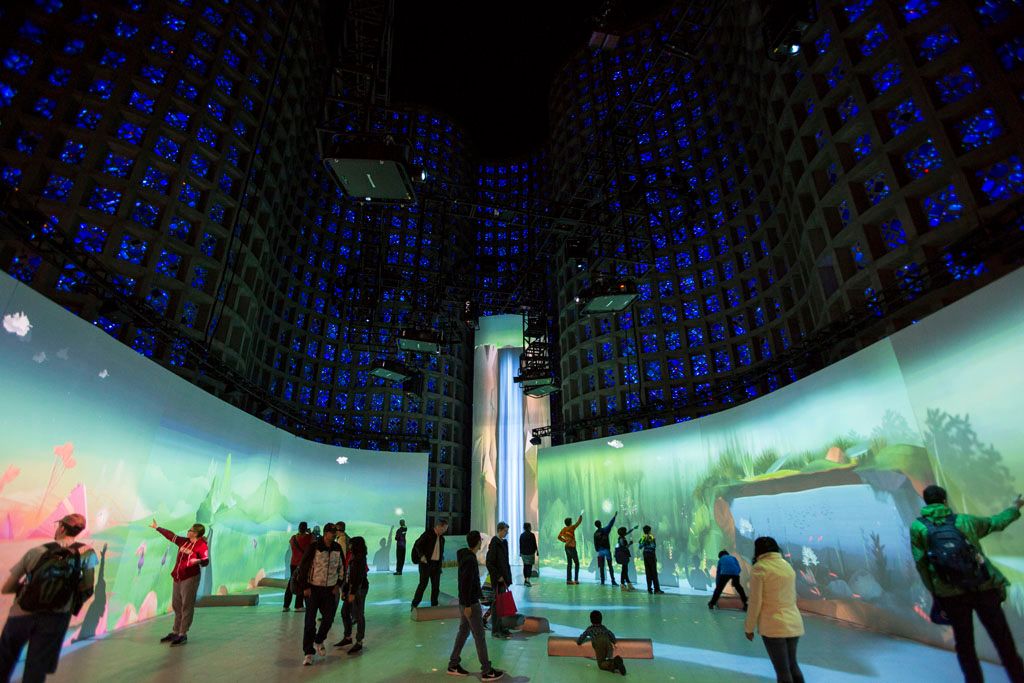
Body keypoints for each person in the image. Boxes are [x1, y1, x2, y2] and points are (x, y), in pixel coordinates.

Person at [910, 485, 1024, 683]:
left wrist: (936, 592)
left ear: (925, 502)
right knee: (1003, 642)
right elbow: (996, 523)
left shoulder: (918, 528)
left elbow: (921, 564)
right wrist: (1015, 507)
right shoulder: (964, 521)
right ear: (945, 500)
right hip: (982, 588)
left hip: (951, 595)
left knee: (965, 646)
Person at [0, 514, 95, 683]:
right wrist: (71, 604)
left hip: (21, 615)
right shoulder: (86, 552)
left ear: (63, 528)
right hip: (56, 618)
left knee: (3, 660)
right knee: (36, 668)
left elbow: (7, 587)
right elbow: (88, 588)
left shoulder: (37, 551)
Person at [744, 536, 804, 683]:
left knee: (782, 671)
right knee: (792, 665)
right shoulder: (786, 565)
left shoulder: (760, 568)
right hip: (794, 623)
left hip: (773, 625)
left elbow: (755, 602)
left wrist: (749, 628)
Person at [447, 530, 504, 680]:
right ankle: (487, 670)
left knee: (463, 632)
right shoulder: (470, 560)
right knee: (479, 636)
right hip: (470, 604)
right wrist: (467, 605)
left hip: (467, 602)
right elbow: (465, 584)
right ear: (478, 542)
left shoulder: (465, 556)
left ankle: (453, 664)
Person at [150, 518, 209, 646]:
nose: (188, 531)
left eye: (191, 530)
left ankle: (183, 634)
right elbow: (171, 536)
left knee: (186, 606)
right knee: (176, 605)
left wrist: (197, 561)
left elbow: (205, 561)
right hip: (178, 577)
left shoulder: (201, 545)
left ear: (196, 533)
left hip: (190, 578)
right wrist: (157, 527)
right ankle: (175, 631)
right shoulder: (184, 542)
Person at [295, 522, 344, 666]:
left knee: (328, 618)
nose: (334, 534)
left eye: (335, 532)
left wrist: (339, 584)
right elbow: (304, 566)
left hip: (329, 590)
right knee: (309, 622)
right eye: (331, 532)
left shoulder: (337, 548)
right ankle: (308, 653)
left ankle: (318, 640)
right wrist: (305, 586)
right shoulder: (314, 547)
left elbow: (342, 567)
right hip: (313, 589)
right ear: (325, 533)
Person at [336, 536, 369, 654]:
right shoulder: (353, 556)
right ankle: (348, 637)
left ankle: (359, 641)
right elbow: (349, 575)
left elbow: (358, 578)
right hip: (352, 589)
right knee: (345, 612)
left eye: (350, 544)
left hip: (359, 589)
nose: (349, 546)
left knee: (358, 614)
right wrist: (345, 590)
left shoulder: (360, 559)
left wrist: (353, 593)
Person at [411, 519, 448, 609]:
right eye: (444, 528)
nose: (445, 530)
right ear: (438, 526)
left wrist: (440, 567)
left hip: (436, 565)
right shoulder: (427, 534)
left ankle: (434, 605)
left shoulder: (442, 539)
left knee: (436, 586)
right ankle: (414, 604)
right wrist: (422, 556)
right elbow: (418, 545)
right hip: (426, 564)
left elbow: (440, 553)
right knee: (423, 584)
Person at [576, 610, 626, 676]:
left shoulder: (589, 629)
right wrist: (614, 642)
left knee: (601, 664)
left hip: (598, 642)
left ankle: (614, 664)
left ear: (591, 620)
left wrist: (579, 642)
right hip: (607, 641)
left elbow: (582, 638)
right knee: (607, 658)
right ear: (601, 619)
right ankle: (615, 661)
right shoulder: (604, 628)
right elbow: (610, 634)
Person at [486, 522, 513, 640]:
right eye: (505, 531)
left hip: (504, 579)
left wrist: (507, 577)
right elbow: (490, 562)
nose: (506, 533)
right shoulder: (495, 543)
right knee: (496, 606)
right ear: (500, 530)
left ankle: (501, 627)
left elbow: (505, 561)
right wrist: (497, 576)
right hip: (498, 580)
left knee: (502, 605)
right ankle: (496, 630)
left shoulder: (503, 542)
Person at [284, 522, 313, 612]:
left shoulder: (293, 538)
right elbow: (314, 541)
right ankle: (298, 605)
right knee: (301, 583)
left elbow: (291, 544)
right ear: (306, 528)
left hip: (293, 563)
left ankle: (286, 605)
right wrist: (310, 533)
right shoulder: (308, 538)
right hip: (302, 564)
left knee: (291, 583)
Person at [558, 512, 583, 585]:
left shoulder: (564, 529)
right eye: (571, 522)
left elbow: (559, 537)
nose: (572, 523)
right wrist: (581, 515)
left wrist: (565, 541)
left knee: (569, 564)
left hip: (566, 547)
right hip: (572, 547)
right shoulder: (571, 527)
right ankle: (576, 580)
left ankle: (568, 580)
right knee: (577, 563)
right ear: (570, 523)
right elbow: (578, 523)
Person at [593, 512, 618, 586]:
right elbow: (610, 524)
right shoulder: (605, 530)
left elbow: (595, 543)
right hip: (606, 550)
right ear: (600, 524)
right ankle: (613, 580)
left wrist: (597, 549)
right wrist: (614, 516)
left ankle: (602, 581)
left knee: (601, 567)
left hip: (600, 551)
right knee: (610, 565)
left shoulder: (595, 533)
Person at [638, 526, 663, 594]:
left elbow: (639, 547)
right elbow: (653, 546)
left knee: (648, 572)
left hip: (645, 555)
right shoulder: (651, 537)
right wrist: (649, 541)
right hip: (651, 556)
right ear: (649, 531)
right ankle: (656, 589)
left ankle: (649, 589)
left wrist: (643, 542)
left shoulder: (642, 537)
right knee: (654, 572)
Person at [613, 526, 638, 591]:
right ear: (624, 533)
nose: (626, 532)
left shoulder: (621, 537)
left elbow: (628, 533)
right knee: (624, 571)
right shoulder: (622, 539)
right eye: (625, 531)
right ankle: (623, 584)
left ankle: (627, 584)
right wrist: (630, 543)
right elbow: (624, 547)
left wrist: (633, 528)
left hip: (623, 556)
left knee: (625, 570)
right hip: (623, 556)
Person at [519, 523, 538, 587]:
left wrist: (520, 553)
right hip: (530, 553)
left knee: (525, 566)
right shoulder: (532, 535)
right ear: (529, 527)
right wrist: (536, 551)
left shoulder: (521, 535)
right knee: (529, 567)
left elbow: (520, 545)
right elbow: (534, 544)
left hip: (523, 553)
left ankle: (525, 580)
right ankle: (527, 580)